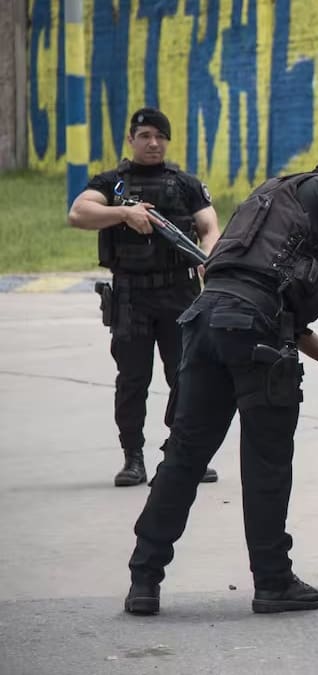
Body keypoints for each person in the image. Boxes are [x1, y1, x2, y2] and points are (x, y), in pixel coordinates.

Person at [122, 156, 318, 616]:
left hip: (206, 320)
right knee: (266, 462)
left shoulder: (268, 196)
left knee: (184, 456)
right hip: (253, 331)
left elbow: (274, 309)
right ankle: (273, 581)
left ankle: (144, 578)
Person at [68, 108, 221, 487]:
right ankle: (132, 458)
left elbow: (209, 227)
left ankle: (184, 455)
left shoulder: (185, 184)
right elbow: (79, 213)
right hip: (131, 295)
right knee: (132, 379)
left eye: (160, 137)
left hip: (179, 293)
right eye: (145, 136)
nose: (153, 143)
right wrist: (123, 214)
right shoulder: (112, 183)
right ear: (131, 139)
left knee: (186, 377)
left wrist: (209, 257)